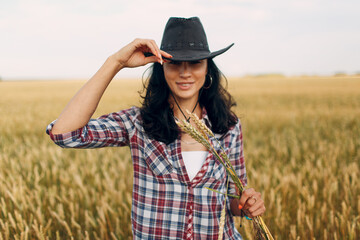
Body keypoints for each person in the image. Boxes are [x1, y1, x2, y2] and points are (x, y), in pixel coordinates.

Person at [46, 17, 266, 240]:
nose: (185, 73)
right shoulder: (138, 124)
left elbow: (233, 201)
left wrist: (247, 207)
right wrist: (116, 62)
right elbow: (65, 134)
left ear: (208, 68)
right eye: (175, 63)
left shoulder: (227, 126)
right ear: (161, 69)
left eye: (195, 63)